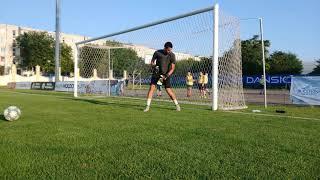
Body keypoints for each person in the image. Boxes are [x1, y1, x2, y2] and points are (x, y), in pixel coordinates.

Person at [143, 42, 180, 112]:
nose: (169, 51)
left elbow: (172, 68)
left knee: (168, 90)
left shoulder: (172, 55)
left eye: (170, 50)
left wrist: (167, 75)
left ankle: (177, 105)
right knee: (151, 88)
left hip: (166, 75)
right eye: (168, 50)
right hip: (157, 74)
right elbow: (152, 62)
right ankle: (147, 106)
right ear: (164, 48)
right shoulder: (157, 52)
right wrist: (154, 66)